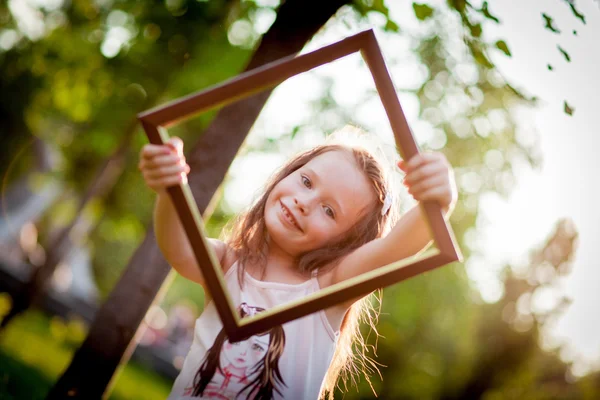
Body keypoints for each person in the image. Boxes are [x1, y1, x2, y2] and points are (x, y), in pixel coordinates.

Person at [138, 127, 457, 399]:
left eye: (329, 210)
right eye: (306, 181)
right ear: (288, 173)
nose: (304, 203)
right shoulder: (228, 263)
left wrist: (439, 198)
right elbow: (180, 248)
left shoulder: (329, 289)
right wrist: (169, 190)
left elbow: (397, 246)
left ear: (345, 245)